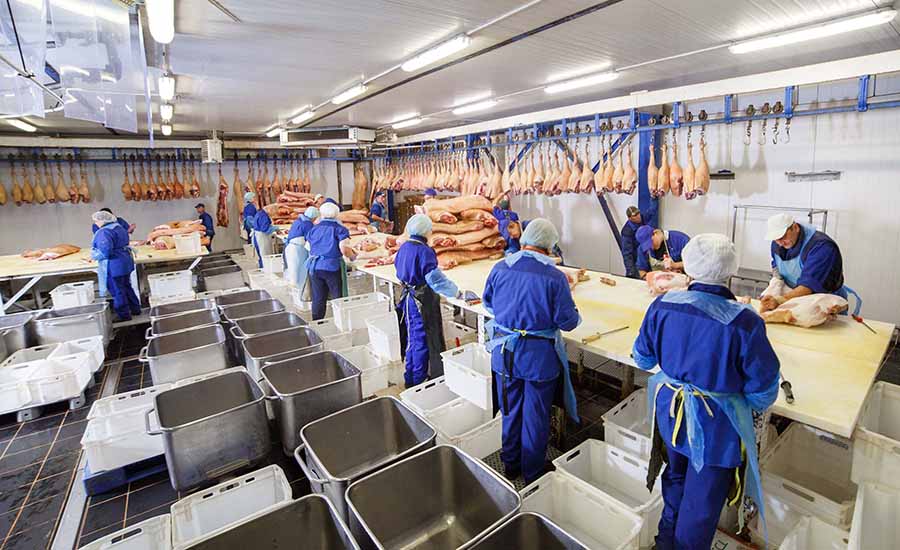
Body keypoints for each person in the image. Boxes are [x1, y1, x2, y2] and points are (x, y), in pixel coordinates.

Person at [632, 234, 781, 550]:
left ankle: (665, 544)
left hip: (671, 415)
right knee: (701, 503)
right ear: (731, 269)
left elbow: (643, 358)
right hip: (716, 427)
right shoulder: (745, 322)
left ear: (689, 265)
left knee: (675, 478)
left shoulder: (662, 305)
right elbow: (763, 394)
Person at [483, 219, 581, 484]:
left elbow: (488, 304)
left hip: (505, 352)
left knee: (510, 410)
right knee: (535, 415)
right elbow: (568, 322)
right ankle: (533, 472)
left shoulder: (500, 267)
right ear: (549, 245)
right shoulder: (554, 277)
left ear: (525, 239)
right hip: (538, 358)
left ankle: (511, 464)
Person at [395, 214, 465, 387]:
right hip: (420, 301)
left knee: (412, 339)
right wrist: (455, 292)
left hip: (409, 298)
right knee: (421, 340)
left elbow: (398, 270)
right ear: (426, 231)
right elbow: (435, 279)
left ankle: (410, 378)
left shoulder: (404, 247)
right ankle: (419, 382)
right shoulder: (424, 251)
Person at [761, 213, 856, 313]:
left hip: (824, 301)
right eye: (776, 239)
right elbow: (776, 265)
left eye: (783, 236)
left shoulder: (821, 247)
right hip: (796, 296)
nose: (780, 243)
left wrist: (780, 300)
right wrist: (775, 286)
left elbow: (808, 286)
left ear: (795, 227)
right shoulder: (778, 243)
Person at [306, 202, 356, 320]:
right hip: (331, 267)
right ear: (337, 214)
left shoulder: (314, 229)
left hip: (314, 266)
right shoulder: (339, 229)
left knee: (318, 297)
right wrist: (353, 257)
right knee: (337, 297)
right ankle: (341, 320)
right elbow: (344, 249)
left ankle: (317, 322)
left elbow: (308, 246)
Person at [91, 210, 141, 322]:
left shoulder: (104, 232)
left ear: (102, 220)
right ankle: (135, 309)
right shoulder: (119, 227)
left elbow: (105, 250)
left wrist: (94, 256)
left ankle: (124, 315)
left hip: (114, 264)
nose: (95, 223)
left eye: (96, 221)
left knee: (117, 290)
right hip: (125, 261)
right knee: (127, 286)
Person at [284, 206, 318, 289]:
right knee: (298, 271)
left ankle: (295, 289)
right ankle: (299, 291)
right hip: (297, 249)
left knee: (293, 269)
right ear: (313, 217)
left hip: (290, 247)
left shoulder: (298, 220)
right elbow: (310, 238)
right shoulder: (308, 224)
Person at [621, 206, 646, 279]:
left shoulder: (642, 219)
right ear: (629, 218)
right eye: (635, 216)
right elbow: (627, 253)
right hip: (635, 263)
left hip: (644, 260)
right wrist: (631, 272)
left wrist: (654, 200)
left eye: (638, 213)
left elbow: (651, 212)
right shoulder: (627, 232)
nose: (638, 216)